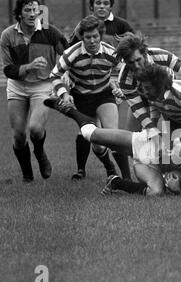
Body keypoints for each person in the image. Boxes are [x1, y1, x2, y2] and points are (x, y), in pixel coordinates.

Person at [43, 97, 181, 196]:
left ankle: (117, 183)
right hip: (143, 143)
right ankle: (68, 109)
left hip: (149, 165)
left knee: (156, 192)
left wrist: (178, 192)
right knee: (90, 135)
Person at [0, 0, 69, 182]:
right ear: (20, 13)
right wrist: (29, 66)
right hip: (17, 86)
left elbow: (68, 52)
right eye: (28, 10)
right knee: (19, 136)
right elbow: (8, 70)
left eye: (35, 10)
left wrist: (64, 74)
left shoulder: (51, 32)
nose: (32, 14)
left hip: (43, 85)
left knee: (36, 129)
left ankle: (40, 154)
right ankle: (27, 175)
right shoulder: (8, 35)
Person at [50, 15, 123, 180]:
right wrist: (64, 93)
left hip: (104, 95)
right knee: (96, 142)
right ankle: (110, 168)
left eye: (95, 36)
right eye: (88, 37)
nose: (92, 40)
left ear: (100, 36)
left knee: (113, 136)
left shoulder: (111, 52)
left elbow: (127, 71)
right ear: (82, 37)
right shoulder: (71, 53)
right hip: (82, 98)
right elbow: (54, 75)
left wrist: (120, 87)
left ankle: (125, 177)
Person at [68, 0, 134, 181]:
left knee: (112, 134)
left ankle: (126, 178)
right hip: (82, 91)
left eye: (106, 2)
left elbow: (130, 55)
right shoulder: (81, 28)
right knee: (91, 136)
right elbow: (69, 53)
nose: (102, 6)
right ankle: (90, 169)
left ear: (111, 6)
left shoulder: (122, 26)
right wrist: (67, 76)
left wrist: (117, 82)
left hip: (106, 89)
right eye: (98, 2)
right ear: (91, 6)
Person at [116, 32, 181, 134]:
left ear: (145, 53)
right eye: (131, 62)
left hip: (169, 97)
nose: (136, 66)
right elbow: (140, 111)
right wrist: (151, 129)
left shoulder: (160, 56)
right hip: (144, 100)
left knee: (174, 136)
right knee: (133, 138)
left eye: (138, 60)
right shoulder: (124, 80)